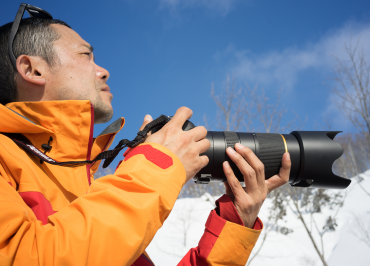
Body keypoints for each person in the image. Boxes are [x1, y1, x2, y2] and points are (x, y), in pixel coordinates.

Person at [0, 3, 291, 266]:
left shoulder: (89, 188)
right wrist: (153, 168)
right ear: (32, 69)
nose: (104, 71)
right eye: (86, 55)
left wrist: (236, 219)